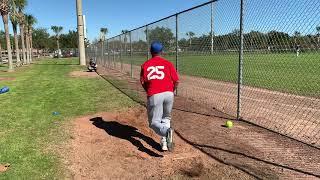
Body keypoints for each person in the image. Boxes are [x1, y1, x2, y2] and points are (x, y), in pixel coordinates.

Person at [140, 41, 179, 151]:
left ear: (150, 51)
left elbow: (143, 82)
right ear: (162, 52)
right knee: (165, 118)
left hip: (155, 94)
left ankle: (166, 132)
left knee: (154, 123)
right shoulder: (168, 63)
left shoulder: (145, 65)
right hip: (169, 94)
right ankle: (165, 143)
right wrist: (171, 91)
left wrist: (149, 92)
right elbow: (176, 81)